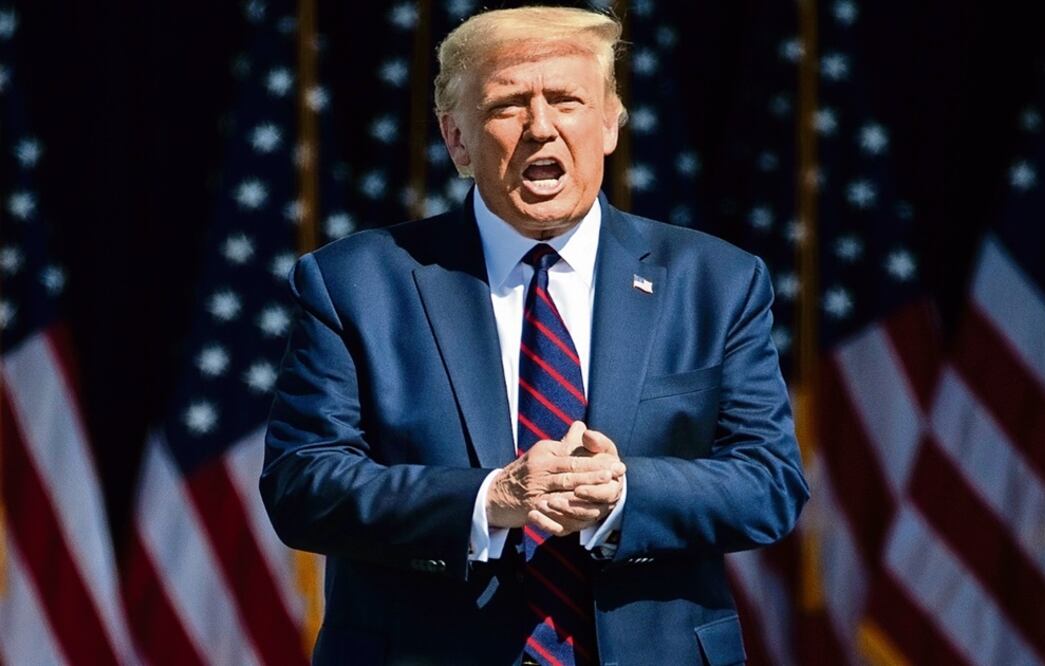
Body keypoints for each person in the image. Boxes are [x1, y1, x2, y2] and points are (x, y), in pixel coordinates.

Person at [261, 6, 808, 665]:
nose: (540, 127)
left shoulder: (716, 282)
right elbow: (303, 483)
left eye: (566, 101)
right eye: (507, 105)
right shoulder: (354, 283)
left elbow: (768, 481)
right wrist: (487, 500)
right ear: (456, 139)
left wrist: (623, 494)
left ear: (609, 123)